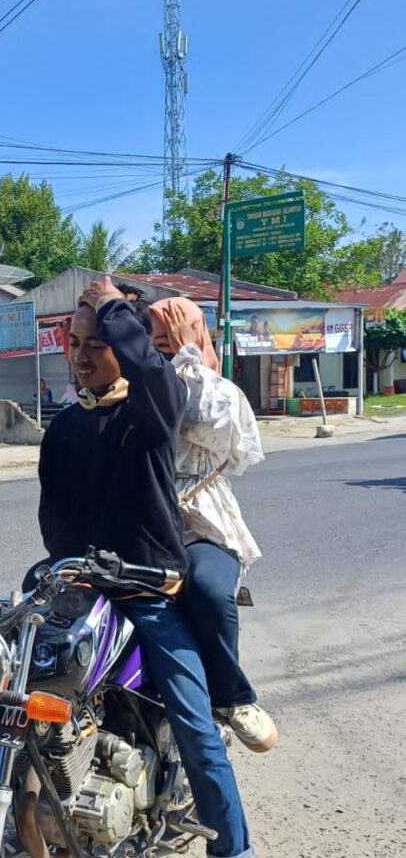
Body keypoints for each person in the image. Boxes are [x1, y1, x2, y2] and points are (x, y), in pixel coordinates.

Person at [37, 275, 263, 858]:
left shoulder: (154, 408)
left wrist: (110, 302)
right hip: (82, 584)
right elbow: (57, 521)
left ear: (128, 348)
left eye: (99, 343)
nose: (82, 355)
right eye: (74, 343)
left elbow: (152, 368)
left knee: (196, 725)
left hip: (149, 589)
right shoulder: (65, 428)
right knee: (14, 685)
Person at [144, 296, 277, 753]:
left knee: (205, 588)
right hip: (139, 519)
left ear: (198, 338)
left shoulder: (220, 392)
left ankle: (233, 698)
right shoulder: (132, 383)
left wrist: (185, 356)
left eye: (173, 340)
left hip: (199, 521)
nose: (164, 351)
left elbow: (196, 417)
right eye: (155, 343)